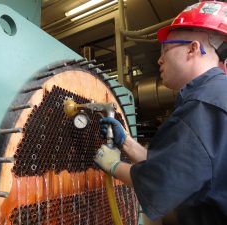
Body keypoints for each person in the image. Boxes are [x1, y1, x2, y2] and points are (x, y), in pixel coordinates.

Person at [94, 1, 227, 225]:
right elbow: (181, 168)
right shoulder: (215, 95)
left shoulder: (203, 104)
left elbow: (162, 182)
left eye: (165, 49)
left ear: (193, 49)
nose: (159, 59)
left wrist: (114, 165)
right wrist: (126, 143)